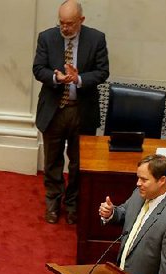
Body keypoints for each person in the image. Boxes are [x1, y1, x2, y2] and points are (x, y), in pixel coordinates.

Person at [33, 0, 109, 225]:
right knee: (52, 160)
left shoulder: (96, 39)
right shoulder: (47, 37)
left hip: (81, 111)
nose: (65, 28)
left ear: (81, 21)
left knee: (78, 162)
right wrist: (57, 77)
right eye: (62, 23)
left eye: (70, 24)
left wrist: (80, 79)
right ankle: (53, 202)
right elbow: (38, 69)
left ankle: (74, 203)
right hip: (54, 109)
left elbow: (103, 72)